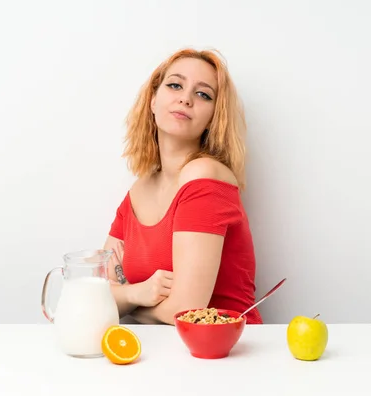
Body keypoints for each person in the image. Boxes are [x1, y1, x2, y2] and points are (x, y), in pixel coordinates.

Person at [103, 48, 262, 325]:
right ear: (153, 100)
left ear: (214, 117)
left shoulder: (204, 175)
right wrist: (139, 292)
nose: (185, 98)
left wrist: (128, 302)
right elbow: (99, 294)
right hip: (163, 352)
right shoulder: (138, 191)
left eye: (203, 94)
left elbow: (187, 311)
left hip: (227, 354)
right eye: (175, 85)